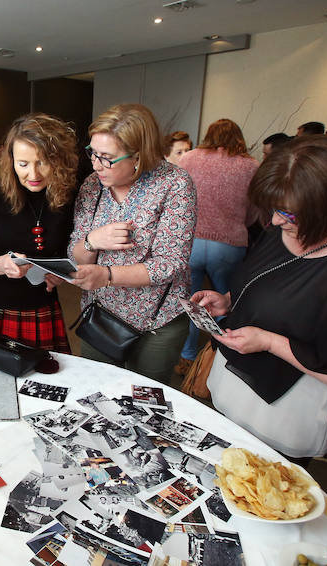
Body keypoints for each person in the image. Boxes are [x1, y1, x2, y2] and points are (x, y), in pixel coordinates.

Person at [194, 135, 327, 459]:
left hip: (284, 418)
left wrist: (271, 343)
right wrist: (229, 300)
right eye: (274, 209)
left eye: (289, 214)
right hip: (236, 399)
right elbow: (274, 286)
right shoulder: (290, 225)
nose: (277, 221)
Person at [69, 103, 196, 383]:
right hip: (100, 316)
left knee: (144, 401)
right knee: (94, 390)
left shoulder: (174, 184)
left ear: (138, 157)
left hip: (157, 320)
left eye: (107, 158)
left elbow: (170, 264)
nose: (96, 164)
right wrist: (92, 241)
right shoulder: (92, 185)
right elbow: (75, 254)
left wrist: (107, 275)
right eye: (93, 153)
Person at [0, 113, 78, 353]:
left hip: (43, 306)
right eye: (23, 164)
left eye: (43, 162)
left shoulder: (65, 194)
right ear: (10, 160)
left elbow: (67, 250)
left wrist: (61, 273)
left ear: (58, 160)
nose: (34, 174)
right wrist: (1, 264)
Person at [175, 118, 259, 375]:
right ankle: (224, 361)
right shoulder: (252, 166)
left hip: (191, 242)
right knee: (227, 302)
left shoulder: (188, 158)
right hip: (229, 244)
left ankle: (187, 356)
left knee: (193, 302)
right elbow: (255, 211)